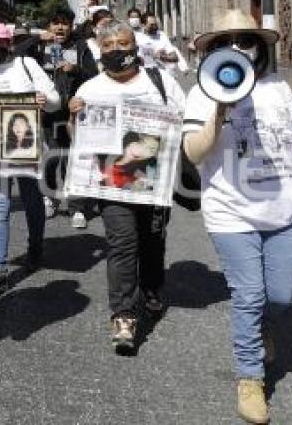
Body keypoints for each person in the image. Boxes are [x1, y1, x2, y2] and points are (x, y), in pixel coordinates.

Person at [182, 10, 292, 424]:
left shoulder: (280, 89)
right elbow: (194, 154)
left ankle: (265, 323)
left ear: (260, 45)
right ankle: (249, 379)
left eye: (244, 38)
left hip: (283, 209)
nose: (237, 46)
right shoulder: (201, 93)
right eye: (225, 40)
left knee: (281, 297)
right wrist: (218, 111)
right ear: (212, 49)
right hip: (231, 212)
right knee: (247, 294)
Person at [68, 22, 185, 355]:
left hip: (153, 181)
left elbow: (187, 121)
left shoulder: (161, 82)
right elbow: (78, 139)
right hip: (112, 183)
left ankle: (150, 286)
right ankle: (123, 314)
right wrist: (73, 115)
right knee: (122, 243)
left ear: (136, 47)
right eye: (109, 46)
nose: (117, 50)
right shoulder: (90, 88)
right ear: (100, 50)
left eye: (124, 43)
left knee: (151, 241)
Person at [0, 22, 60, 294]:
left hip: (25, 144)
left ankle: (35, 247)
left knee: (31, 199)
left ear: (9, 43)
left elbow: (55, 100)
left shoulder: (27, 64)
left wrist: (43, 99)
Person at [38, 9, 99, 226]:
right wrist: (36, 38)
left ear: (71, 26)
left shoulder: (81, 46)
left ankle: (77, 207)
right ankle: (50, 198)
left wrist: (75, 69)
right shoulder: (39, 47)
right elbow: (17, 54)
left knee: (72, 159)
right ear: (49, 27)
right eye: (55, 23)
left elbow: (94, 76)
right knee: (51, 156)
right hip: (48, 113)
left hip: (75, 114)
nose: (60, 28)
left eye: (64, 24)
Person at [136, 13, 188, 77]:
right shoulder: (138, 38)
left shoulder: (162, 35)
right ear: (143, 25)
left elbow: (175, 57)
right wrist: (153, 56)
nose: (154, 27)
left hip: (167, 75)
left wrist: (162, 57)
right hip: (148, 76)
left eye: (155, 24)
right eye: (151, 25)